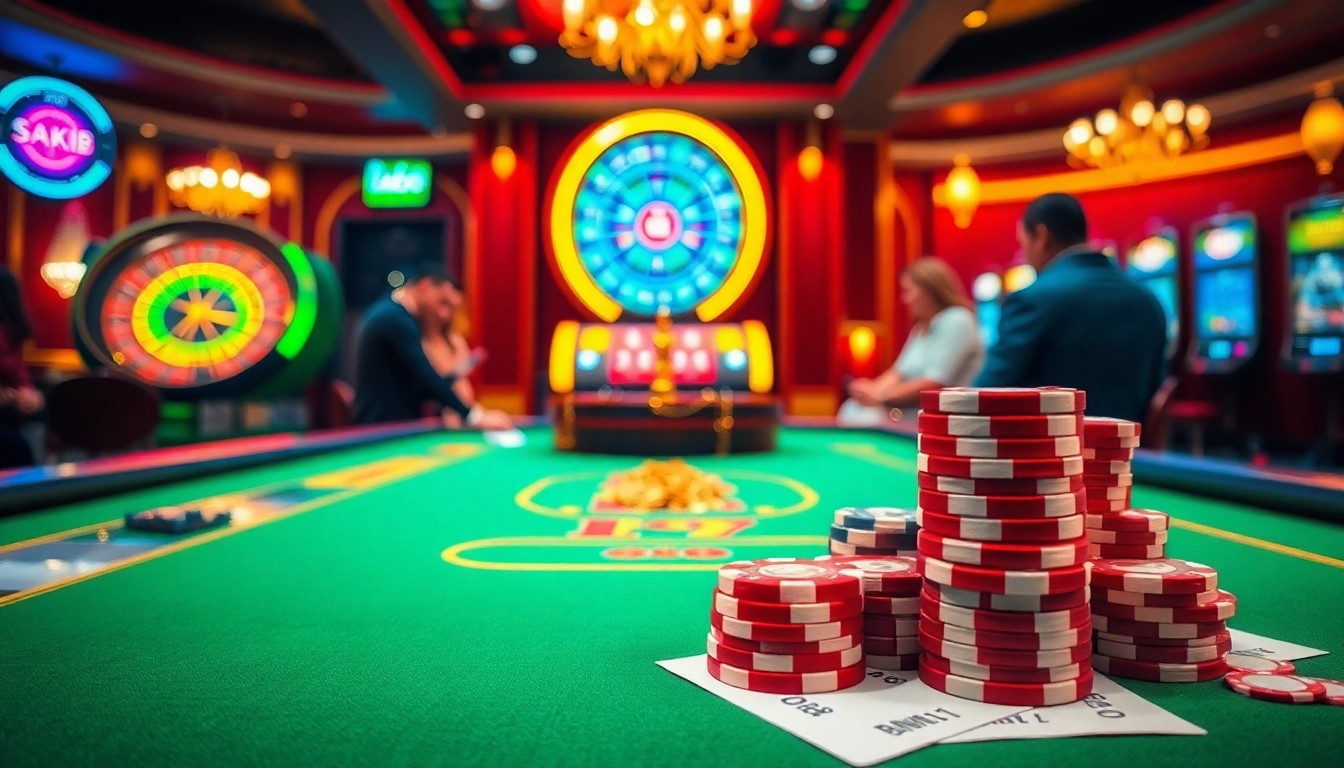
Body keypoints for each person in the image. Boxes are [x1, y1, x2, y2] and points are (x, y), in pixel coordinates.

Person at [973, 193, 1166, 422]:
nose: (1025, 256)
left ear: (1042, 236)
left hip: (1052, 453)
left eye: (1024, 244)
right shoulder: (1149, 301)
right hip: (1130, 453)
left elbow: (984, 394)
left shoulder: (1031, 300)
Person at [352, 263, 512, 431]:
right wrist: (473, 416)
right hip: (380, 431)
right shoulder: (395, 319)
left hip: (390, 428)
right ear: (425, 286)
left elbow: (418, 383)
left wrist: (453, 382)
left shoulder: (396, 315)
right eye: (442, 302)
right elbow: (425, 376)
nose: (443, 314)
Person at [839, 257, 985, 424]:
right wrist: (869, 390)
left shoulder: (958, 320)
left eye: (908, 291)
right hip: (911, 412)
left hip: (945, 420)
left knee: (863, 417)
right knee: (852, 408)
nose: (904, 299)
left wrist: (881, 396)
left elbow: (933, 382)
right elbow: (898, 373)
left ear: (930, 290)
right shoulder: (922, 326)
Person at [421, 277, 488, 427]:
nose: (446, 313)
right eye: (443, 303)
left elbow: (462, 385)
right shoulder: (420, 342)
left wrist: (473, 413)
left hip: (465, 412)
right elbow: (435, 384)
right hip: (435, 419)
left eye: (451, 307)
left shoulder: (456, 341)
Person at [0, 266, 41, 468]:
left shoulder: (10, 333)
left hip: (11, 411)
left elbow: (19, 376)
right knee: (19, 447)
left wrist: (30, 394)